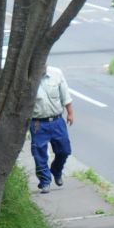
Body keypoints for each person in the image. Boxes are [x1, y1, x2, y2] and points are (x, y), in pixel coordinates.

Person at [31, 65, 74, 194]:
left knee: (65, 150)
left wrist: (70, 113)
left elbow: (65, 95)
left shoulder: (56, 73)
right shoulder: (27, 76)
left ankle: (56, 170)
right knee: (39, 153)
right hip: (38, 123)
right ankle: (45, 181)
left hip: (57, 121)